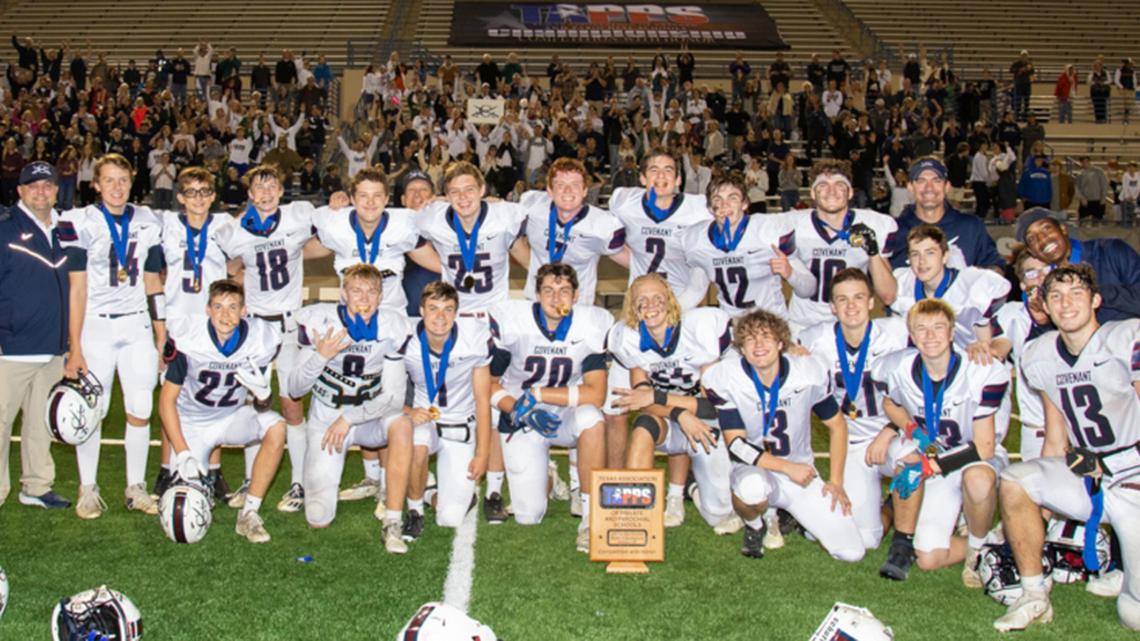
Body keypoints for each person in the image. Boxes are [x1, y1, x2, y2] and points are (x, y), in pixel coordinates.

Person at [995, 264, 1140, 632]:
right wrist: (1038, 500)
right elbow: (1055, 434)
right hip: (1091, 476)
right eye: (1056, 295)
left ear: (1095, 300)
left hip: (1135, 475)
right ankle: (1034, 595)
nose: (1066, 303)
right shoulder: (1039, 354)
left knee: (1133, 614)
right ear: (1044, 304)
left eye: (1076, 293)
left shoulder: (1126, 338)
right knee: (1016, 478)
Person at [703, 308, 862, 562]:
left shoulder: (807, 373)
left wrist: (836, 481)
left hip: (801, 472)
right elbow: (736, 445)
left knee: (851, 552)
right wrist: (787, 467)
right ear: (741, 349)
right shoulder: (727, 377)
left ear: (780, 343)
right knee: (751, 489)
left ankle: (794, 515)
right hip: (756, 469)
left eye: (766, 337)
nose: (758, 345)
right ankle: (755, 525)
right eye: (750, 339)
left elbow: (837, 425)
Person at [871, 299, 1010, 585]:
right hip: (934, 451)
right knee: (928, 558)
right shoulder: (897, 366)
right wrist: (910, 429)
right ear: (911, 334)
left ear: (951, 333)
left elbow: (983, 448)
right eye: (921, 328)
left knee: (978, 479)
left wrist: (925, 466)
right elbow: (891, 404)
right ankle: (970, 532)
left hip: (974, 456)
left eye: (938, 328)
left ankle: (978, 546)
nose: (930, 336)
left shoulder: (982, 371)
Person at [59, 153, 164, 520]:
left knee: (140, 408)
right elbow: (77, 288)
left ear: (132, 181)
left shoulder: (149, 220)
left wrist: (160, 331)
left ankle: (135, 487)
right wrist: (75, 347)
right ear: (96, 184)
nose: (117, 187)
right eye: (109, 180)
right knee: (93, 410)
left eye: (123, 179)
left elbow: (153, 282)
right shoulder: (81, 221)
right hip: (97, 325)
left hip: (136, 324)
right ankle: (88, 487)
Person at [289, 264, 415, 554]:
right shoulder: (320, 321)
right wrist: (319, 358)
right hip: (327, 419)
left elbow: (394, 398)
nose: (364, 298)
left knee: (402, 424)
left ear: (381, 297)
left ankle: (393, 520)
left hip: (366, 417)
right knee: (318, 518)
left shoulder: (392, 326)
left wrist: (350, 418)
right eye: (356, 290)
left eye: (372, 291)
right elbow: (295, 389)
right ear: (343, 294)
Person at [214, 164, 318, 513]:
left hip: (289, 324)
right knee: (252, 403)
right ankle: (250, 477)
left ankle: (299, 482)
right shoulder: (236, 230)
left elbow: (328, 230)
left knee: (291, 404)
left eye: (272, 184)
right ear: (249, 194)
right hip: (256, 326)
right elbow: (228, 267)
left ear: (281, 189)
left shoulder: (298, 216)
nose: (266, 191)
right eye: (259, 186)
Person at [489, 264, 611, 552]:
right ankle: (548, 476)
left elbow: (596, 394)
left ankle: (590, 519)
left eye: (564, 291)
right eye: (548, 291)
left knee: (592, 418)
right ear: (536, 294)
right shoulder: (515, 322)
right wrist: (522, 408)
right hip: (522, 415)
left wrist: (540, 393)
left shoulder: (590, 325)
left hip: (567, 414)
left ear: (577, 295)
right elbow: (489, 384)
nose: (557, 299)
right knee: (528, 516)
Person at [608, 274, 739, 534]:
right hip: (674, 419)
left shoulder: (699, 328)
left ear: (670, 301)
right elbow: (642, 402)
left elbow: (713, 405)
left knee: (719, 515)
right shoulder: (629, 339)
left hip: (709, 424)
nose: (651, 305)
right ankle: (635, 522)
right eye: (642, 301)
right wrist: (679, 413)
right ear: (633, 308)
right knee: (643, 429)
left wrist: (665, 402)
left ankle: (689, 488)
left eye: (658, 298)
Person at [159, 279, 287, 543]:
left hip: (230, 418)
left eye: (232, 307)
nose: (225, 315)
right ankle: (189, 475)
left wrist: (264, 397)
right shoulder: (190, 339)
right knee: (181, 515)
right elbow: (166, 402)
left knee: (276, 426)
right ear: (207, 309)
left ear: (244, 311)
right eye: (218, 307)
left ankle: (249, 514)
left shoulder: (259, 339)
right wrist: (182, 452)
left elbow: (264, 408)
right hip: (191, 423)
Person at [798, 269, 910, 554]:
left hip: (894, 435)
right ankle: (888, 508)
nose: (851, 306)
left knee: (913, 462)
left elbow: (919, 390)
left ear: (872, 302)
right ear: (832, 307)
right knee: (866, 539)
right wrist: (790, 350)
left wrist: (889, 432)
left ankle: (905, 522)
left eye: (859, 297)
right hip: (850, 443)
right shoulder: (815, 337)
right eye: (842, 299)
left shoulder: (897, 333)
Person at [150, 167, 237, 499]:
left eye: (204, 191)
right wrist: (161, 333)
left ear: (213, 196)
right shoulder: (167, 226)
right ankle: (167, 469)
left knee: (214, 401)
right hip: (178, 325)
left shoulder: (224, 226)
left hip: (214, 328)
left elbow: (240, 265)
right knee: (170, 399)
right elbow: (153, 278)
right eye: (191, 192)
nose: (198, 198)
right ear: (181, 198)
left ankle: (212, 473)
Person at [0, 161, 71, 510]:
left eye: (48, 185)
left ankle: (37, 484)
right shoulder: (5, 229)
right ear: (20, 191)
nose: (41, 191)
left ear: (57, 189)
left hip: (52, 347)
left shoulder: (65, 228)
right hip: (10, 348)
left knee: (41, 421)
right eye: (33, 185)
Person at [401, 281, 491, 540]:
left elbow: (483, 400)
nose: (440, 317)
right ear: (421, 310)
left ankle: (429, 489)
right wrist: (408, 410)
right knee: (417, 439)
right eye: (433, 308)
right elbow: (388, 390)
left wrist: (482, 453)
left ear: (456, 313)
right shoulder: (405, 338)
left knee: (450, 518)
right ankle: (415, 511)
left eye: (448, 309)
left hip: (460, 426)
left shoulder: (473, 339)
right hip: (423, 422)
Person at [781, 159, 898, 335]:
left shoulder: (875, 224)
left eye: (839, 185)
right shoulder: (792, 224)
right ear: (812, 193)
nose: (831, 191)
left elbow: (888, 296)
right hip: (804, 325)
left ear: (850, 192)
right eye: (823, 185)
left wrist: (873, 251)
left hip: (851, 324)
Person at [681, 172, 815, 318]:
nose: (724, 205)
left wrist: (791, 273)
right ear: (709, 207)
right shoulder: (696, 239)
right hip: (732, 326)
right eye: (717, 199)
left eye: (732, 198)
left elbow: (809, 289)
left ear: (744, 203)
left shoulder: (768, 230)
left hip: (771, 325)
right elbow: (696, 289)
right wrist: (669, 312)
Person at [518, 158, 626, 305]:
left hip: (578, 308)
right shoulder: (532, 207)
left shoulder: (600, 225)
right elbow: (506, 231)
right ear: (549, 190)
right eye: (560, 184)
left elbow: (634, 260)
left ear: (585, 190)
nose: (567, 190)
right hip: (536, 302)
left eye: (575, 185)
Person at [889, 225, 1010, 349]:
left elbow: (991, 342)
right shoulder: (902, 282)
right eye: (915, 254)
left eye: (930, 253)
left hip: (967, 360)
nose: (922, 261)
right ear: (908, 258)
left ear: (945, 256)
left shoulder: (970, 283)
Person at [1016, 207, 1140, 321]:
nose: (1042, 239)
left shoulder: (1109, 251)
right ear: (1032, 252)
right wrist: (1043, 322)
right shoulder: (1044, 283)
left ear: (1063, 229)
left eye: (1046, 228)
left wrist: (1091, 291)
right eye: (1032, 239)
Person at [986, 245, 1051, 462]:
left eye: (1047, 269)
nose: (1041, 277)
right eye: (1032, 272)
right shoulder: (1012, 314)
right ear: (1023, 284)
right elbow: (999, 347)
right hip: (1038, 428)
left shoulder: (1075, 312)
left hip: (1080, 427)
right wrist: (984, 349)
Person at [888, 157, 1004, 271]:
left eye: (936, 180)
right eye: (921, 180)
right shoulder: (893, 231)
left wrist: (968, 280)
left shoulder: (971, 227)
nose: (929, 187)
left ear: (947, 187)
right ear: (910, 187)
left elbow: (996, 267)